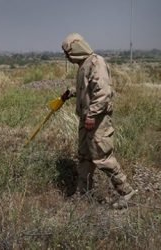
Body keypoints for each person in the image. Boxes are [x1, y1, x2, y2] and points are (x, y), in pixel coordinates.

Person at [60, 33, 136, 209]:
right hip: (87, 120)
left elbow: (102, 94)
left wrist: (92, 115)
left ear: (76, 49)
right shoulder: (83, 65)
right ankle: (83, 193)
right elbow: (88, 89)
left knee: (102, 157)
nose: (66, 56)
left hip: (97, 121)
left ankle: (126, 191)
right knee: (85, 157)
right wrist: (72, 92)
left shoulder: (96, 63)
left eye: (68, 52)